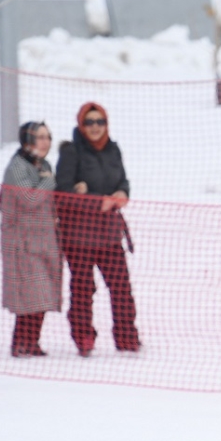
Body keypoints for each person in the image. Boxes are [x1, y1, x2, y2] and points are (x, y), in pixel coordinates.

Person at [55, 101, 138, 355]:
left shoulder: (113, 149)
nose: (95, 127)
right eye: (89, 122)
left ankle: (127, 338)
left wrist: (122, 192)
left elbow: (123, 179)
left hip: (110, 233)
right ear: (81, 124)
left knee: (121, 287)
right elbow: (62, 193)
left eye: (99, 121)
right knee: (83, 288)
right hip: (79, 235)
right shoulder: (71, 152)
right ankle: (83, 338)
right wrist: (94, 202)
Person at [1, 121, 62, 357]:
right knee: (28, 293)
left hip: (44, 239)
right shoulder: (17, 166)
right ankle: (20, 342)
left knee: (43, 293)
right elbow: (29, 198)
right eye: (40, 137)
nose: (46, 142)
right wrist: (48, 181)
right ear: (28, 141)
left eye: (48, 137)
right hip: (22, 242)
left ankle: (33, 341)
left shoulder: (44, 164)